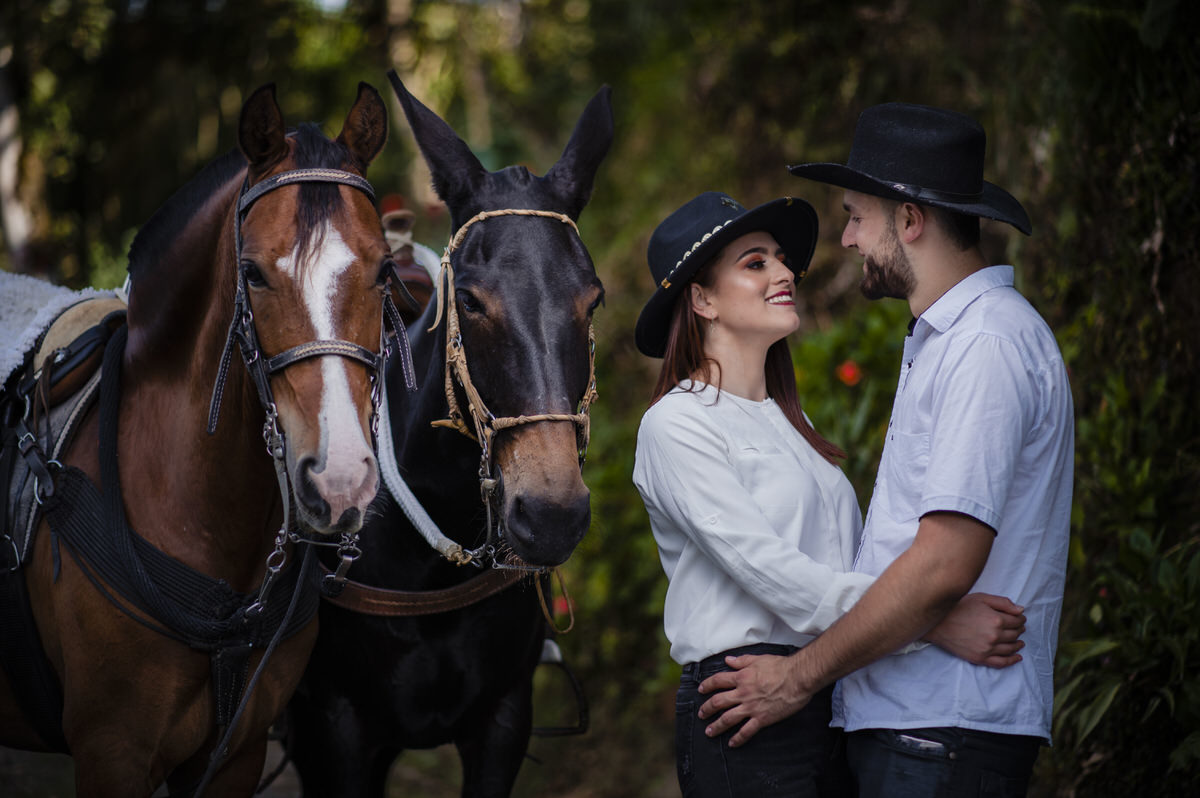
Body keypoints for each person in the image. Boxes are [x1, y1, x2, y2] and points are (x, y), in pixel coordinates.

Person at [694, 104, 1074, 798]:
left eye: (856, 218)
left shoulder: (984, 343)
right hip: (916, 728)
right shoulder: (949, 340)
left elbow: (941, 566)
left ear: (910, 220)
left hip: (942, 732)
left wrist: (797, 678)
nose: (846, 239)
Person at [632, 191, 1028, 797]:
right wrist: (932, 620)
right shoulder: (676, 423)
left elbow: (843, 565)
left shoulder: (793, 423)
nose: (785, 273)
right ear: (702, 299)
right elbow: (771, 570)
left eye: (781, 259)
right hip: (745, 705)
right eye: (756, 262)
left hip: (825, 689)